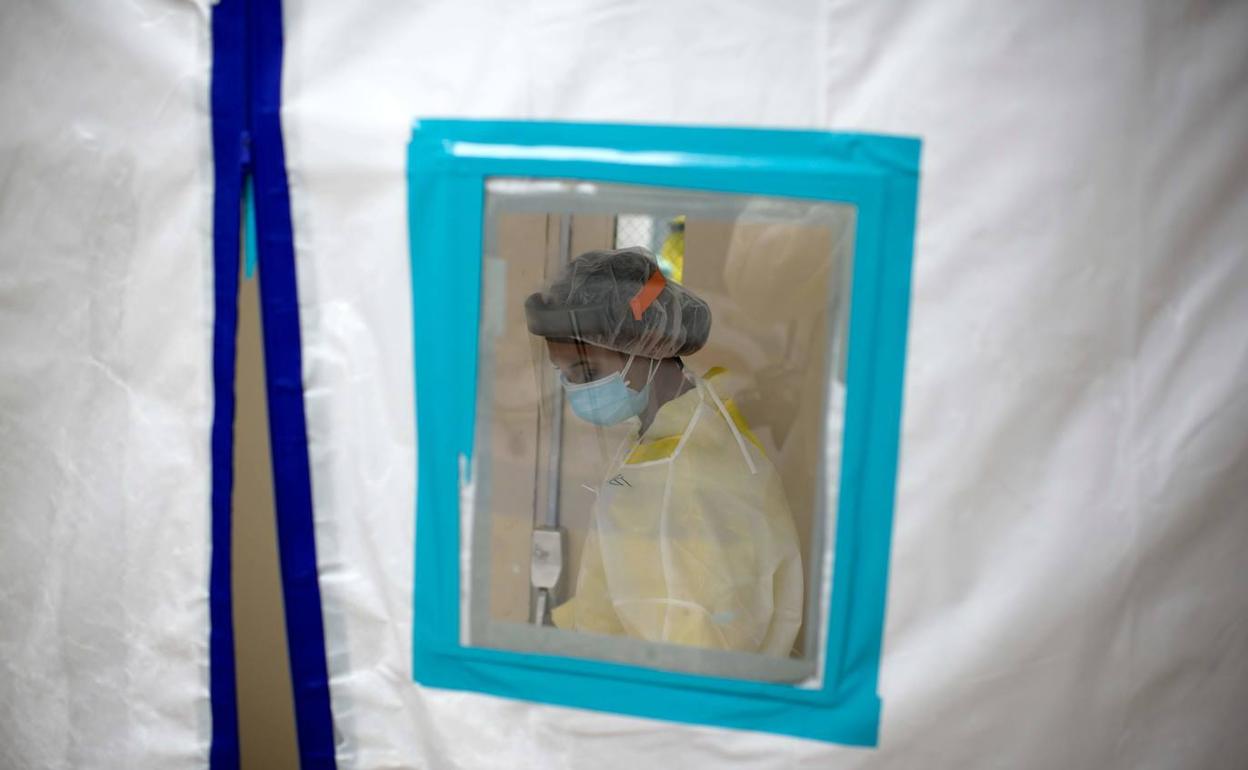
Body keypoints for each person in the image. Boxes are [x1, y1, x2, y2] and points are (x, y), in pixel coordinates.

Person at [524, 247, 803, 656]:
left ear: (647, 343)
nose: (574, 390)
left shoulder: (696, 471)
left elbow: (699, 647)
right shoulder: (657, 436)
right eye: (562, 375)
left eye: (585, 373)